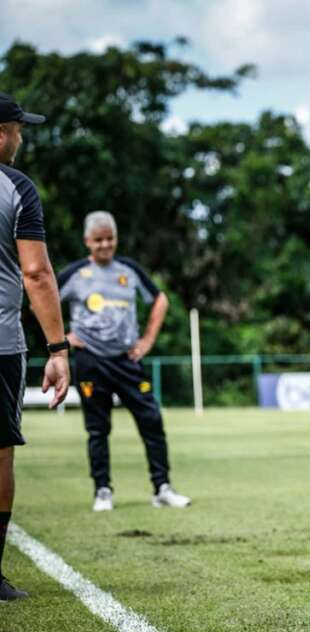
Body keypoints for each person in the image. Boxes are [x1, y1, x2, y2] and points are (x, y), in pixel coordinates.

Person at [57, 211, 191, 511]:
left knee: (152, 420)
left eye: (110, 238)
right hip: (90, 360)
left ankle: (162, 488)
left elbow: (160, 299)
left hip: (127, 360)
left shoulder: (128, 270)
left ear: (116, 238)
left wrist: (147, 341)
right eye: (98, 240)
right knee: (97, 429)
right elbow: (40, 296)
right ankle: (102, 490)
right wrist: (63, 337)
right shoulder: (75, 274)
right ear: (87, 242)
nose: (105, 245)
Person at [0, 92, 71, 601]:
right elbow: (37, 272)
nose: (22, 137)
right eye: (19, 128)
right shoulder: (16, 187)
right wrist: (59, 348)